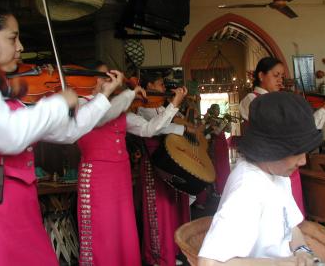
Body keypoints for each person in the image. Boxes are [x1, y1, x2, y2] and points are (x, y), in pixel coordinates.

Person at [0, 0, 119, 266]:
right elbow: (11, 135)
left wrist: (103, 97)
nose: (20, 47)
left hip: (18, 210)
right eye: (13, 39)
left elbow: (68, 133)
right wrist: (58, 102)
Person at [76, 63, 189, 266]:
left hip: (121, 176)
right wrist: (127, 95)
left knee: (123, 228)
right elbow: (99, 117)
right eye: (104, 77)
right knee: (102, 230)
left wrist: (173, 105)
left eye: (112, 77)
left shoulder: (120, 110)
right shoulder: (82, 104)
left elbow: (149, 129)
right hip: (98, 177)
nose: (110, 82)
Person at [198, 92, 322, 266]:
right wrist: (283, 263)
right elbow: (209, 263)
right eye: (296, 152)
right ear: (270, 150)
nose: (303, 161)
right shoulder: (248, 190)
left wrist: (302, 252)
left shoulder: (278, 173)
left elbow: (290, 226)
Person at [238, 57, 325, 215]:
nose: (280, 81)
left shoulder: (281, 100)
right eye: (276, 75)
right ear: (261, 76)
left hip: (287, 164)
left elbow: (303, 130)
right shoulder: (252, 100)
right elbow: (277, 129)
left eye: (282, 77)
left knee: (292, 211)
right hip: (269, 165)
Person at [137, 73, 194, 266]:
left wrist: (178, 104)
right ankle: (158, 255)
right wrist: (180, 126)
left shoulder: (160, 105)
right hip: (154, 161)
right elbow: (158, 128)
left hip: (169, 160)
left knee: (171, 207)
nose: (163, 87)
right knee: (158, 209)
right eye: (160, 84)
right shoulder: (142, 108)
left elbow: (178, 121)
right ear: (149, 84)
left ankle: (173, 248)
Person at [195, 104, 231, 209]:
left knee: (224, 167)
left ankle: (221, 189)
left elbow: (228, 130)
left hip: (223, 144)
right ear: (212, 110)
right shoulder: (209, 120)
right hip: (215, 145)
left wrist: (227, 122)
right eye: (216, 109)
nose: (218, 111)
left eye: (219, 109)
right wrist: (223, 122)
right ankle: (217, 189)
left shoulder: (220, 119)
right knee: (218, 168)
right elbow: (215, 132)